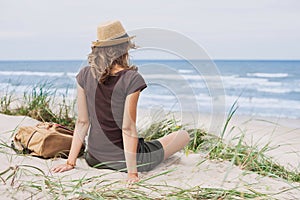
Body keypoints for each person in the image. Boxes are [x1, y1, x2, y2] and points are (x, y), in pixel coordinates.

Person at [51, 20, 190, 185]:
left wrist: (70, 163)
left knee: (149, 142)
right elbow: (128, 128)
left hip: (94, 158)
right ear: (125, 48)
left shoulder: (84, 74)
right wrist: (132, 173)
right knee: (183, 135)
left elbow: (82, 122)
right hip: (126, 161)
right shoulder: (131, 78)